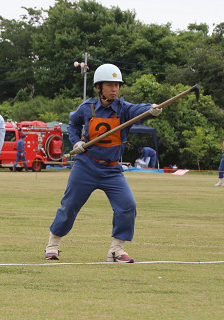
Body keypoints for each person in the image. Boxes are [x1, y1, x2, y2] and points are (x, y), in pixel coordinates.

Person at [44, 63, 162, 263]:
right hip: (86, 165)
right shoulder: (87, 107)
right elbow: (73, 124)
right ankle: (53, 244)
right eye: (110, 85)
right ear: (99, 88)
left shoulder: (124, 109)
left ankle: (116, 250)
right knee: (69, 205)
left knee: (127, 206)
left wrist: (151, 109)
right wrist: (77, 141)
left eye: (117, 85)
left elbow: (138, 110)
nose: (114, 89)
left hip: (112, 170)